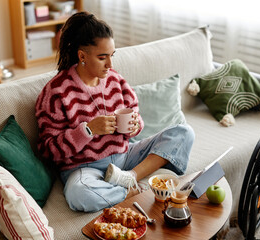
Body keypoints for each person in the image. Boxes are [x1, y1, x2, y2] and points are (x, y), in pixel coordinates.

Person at [35, 11, 195, 212]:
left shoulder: (115, 80)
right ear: (82, 55)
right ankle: (129, 192)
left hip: (125, 157)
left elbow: (135, 119)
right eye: (103, 58)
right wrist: (88, 130)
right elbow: (49, 152)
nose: (110, 65)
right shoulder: (56, 92)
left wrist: (135, 126)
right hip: (84, 169)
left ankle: (131, 178)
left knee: (184, 133)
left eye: (112, 56)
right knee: (79, 194)